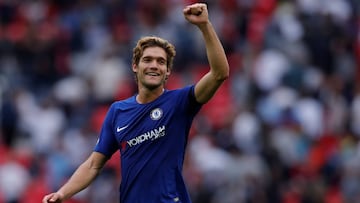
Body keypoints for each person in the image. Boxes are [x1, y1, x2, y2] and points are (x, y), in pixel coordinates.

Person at [42, 3, 229, 203]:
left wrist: (205, 25)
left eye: (161, 61)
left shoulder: (179, 102)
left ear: (167, 71)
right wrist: (63, 193)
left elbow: (220, 73)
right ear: (135, 66)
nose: (154, 65)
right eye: (147, 60)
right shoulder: (118, 111)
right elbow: (93, 165)